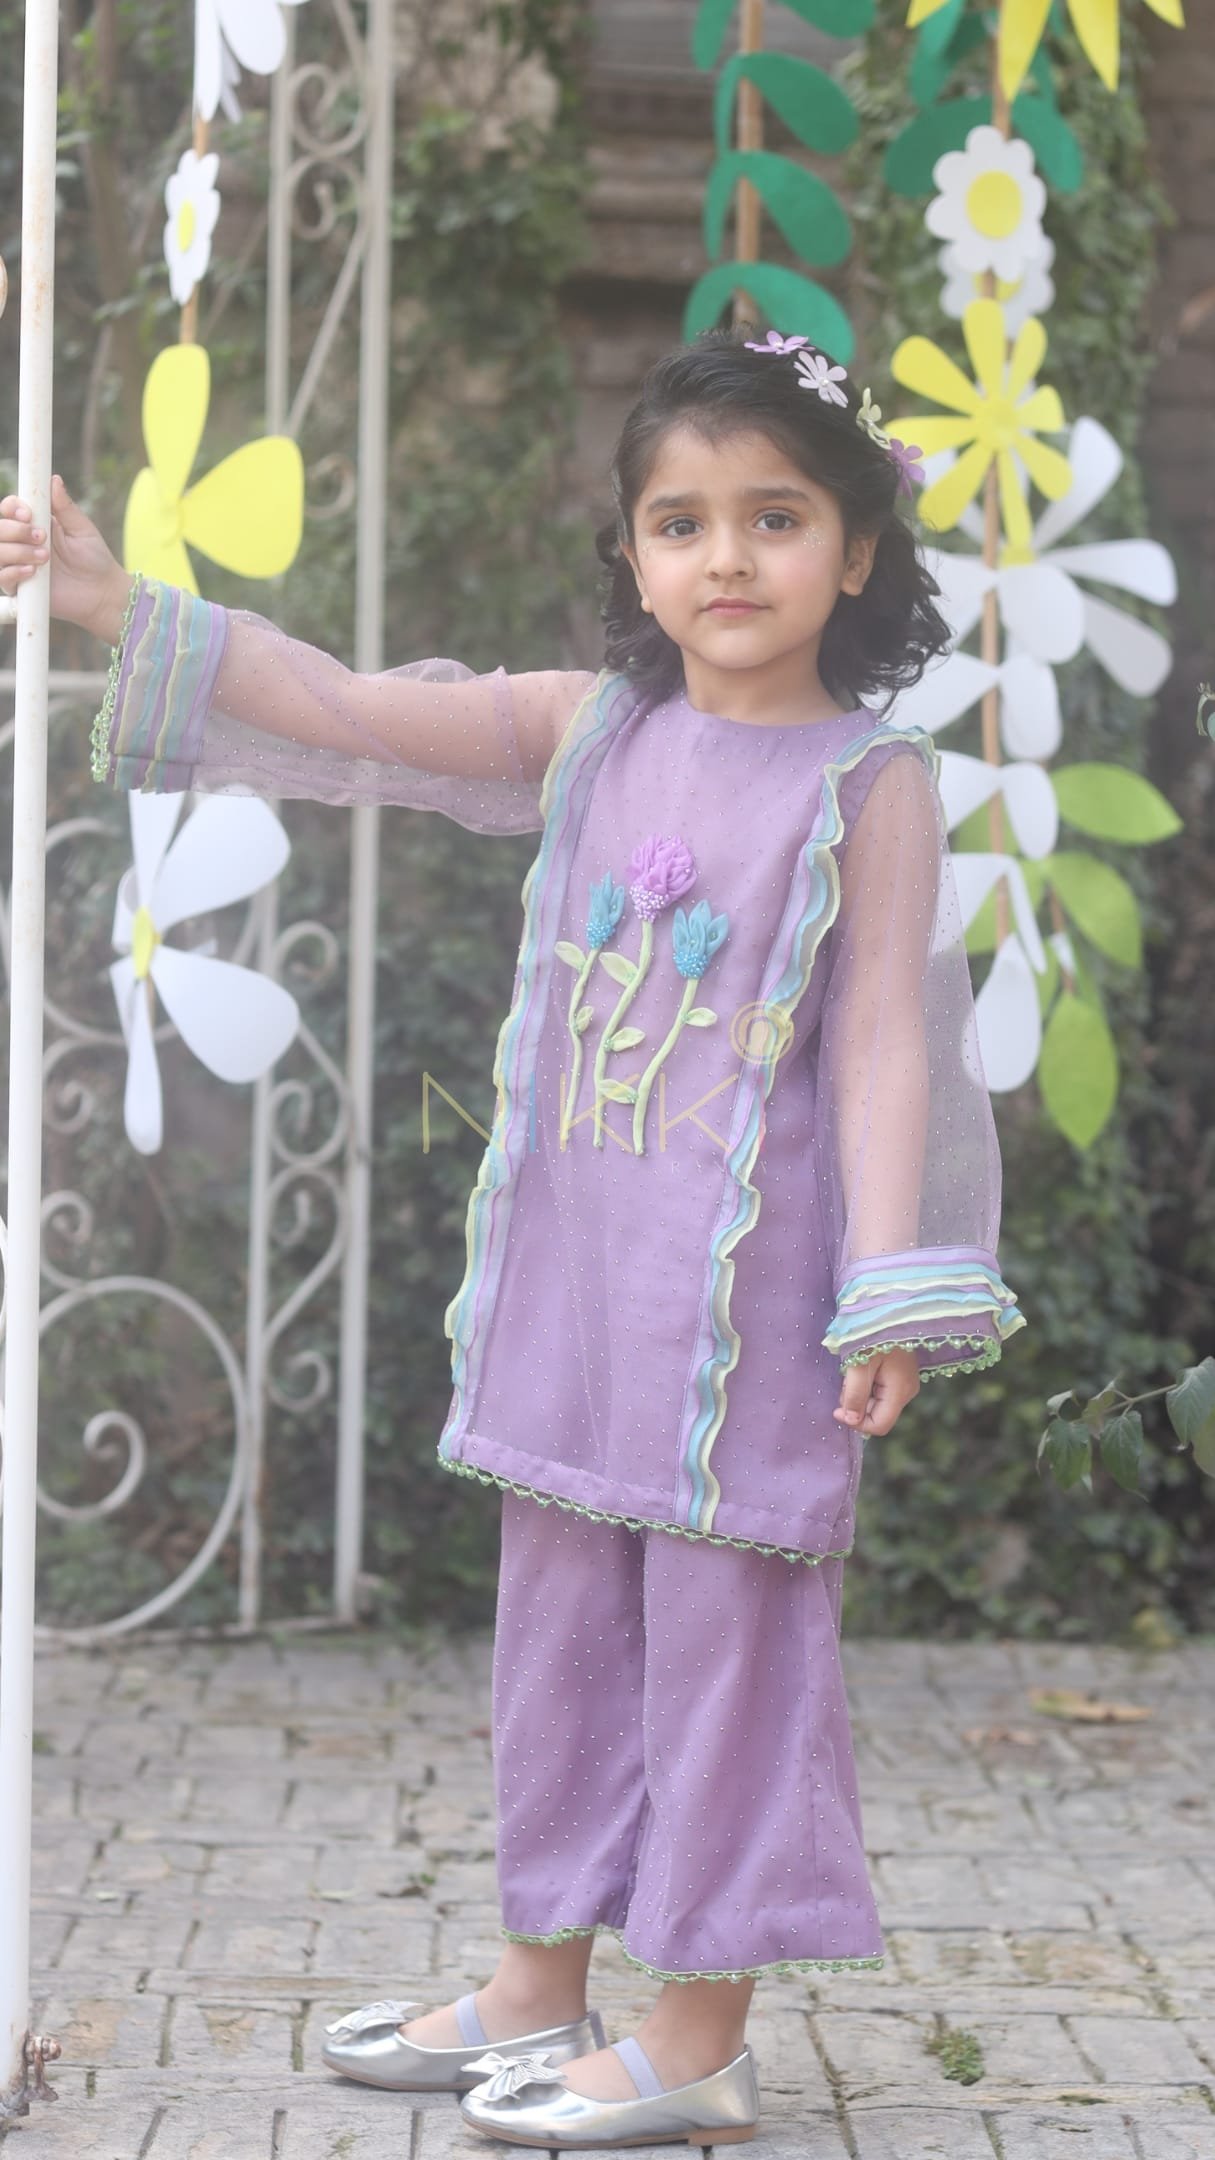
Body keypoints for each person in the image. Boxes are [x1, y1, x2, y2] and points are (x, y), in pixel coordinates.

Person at [0, 328, 1024, 2150]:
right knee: (556, 1640)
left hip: (747, 1327)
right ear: (633, 552)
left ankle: (698, 2034)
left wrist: (890, 1285)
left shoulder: (871, 784)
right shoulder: (592, 730)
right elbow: (348, 708)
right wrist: (111, 602)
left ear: (858, 548)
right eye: (680, 521)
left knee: (727, 1656)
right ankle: (538, 1981)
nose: (726, 557)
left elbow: (885, 1044)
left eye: (776, 517)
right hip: (574, 1290)